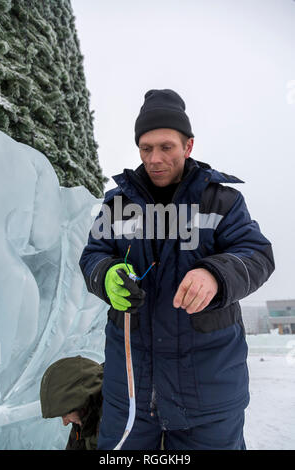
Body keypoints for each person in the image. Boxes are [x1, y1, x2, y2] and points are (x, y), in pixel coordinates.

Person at [79, 89, 275, 450]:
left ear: (188, 146)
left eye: (166, 147)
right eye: (145, 147)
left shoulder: (222, 200)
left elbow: (258, 254)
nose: (154, 158)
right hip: (130, 392)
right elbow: (93, 255)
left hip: (210, 392)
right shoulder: (116, 204)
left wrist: (215, 274)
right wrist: (105, 276)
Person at [40, 356, 103, 450]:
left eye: (65, 414)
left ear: (79, 400)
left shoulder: (117, 419)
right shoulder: (83, 419)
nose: (65, 423)